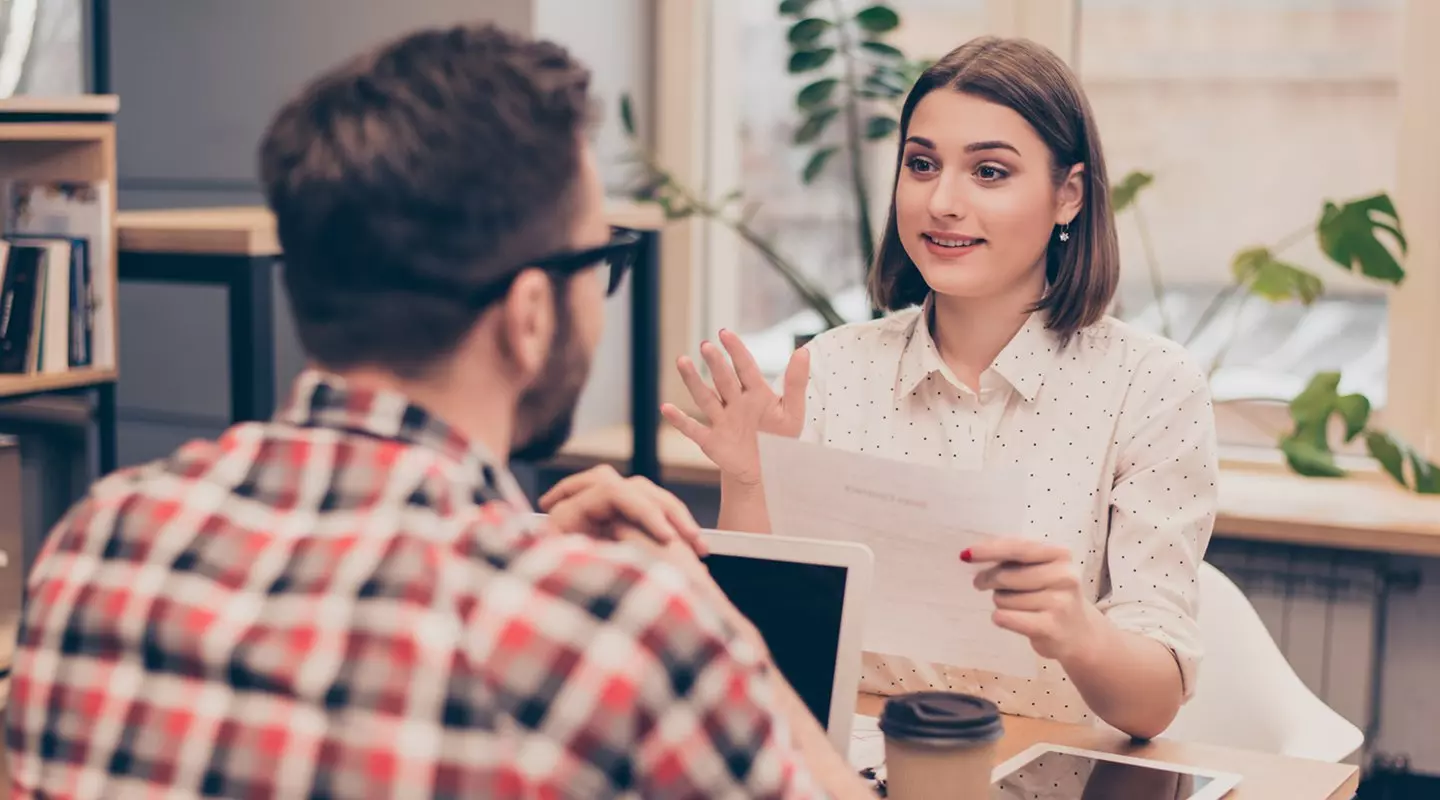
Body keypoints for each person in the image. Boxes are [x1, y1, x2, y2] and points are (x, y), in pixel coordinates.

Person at [4, 23, 870, 799]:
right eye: (597, 262)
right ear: (530, 315)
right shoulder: (622, 638)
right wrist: (713, 618)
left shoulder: (101, 539)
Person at [664, 35, 1219, 740]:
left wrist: (1078, 629)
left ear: (1068, 194)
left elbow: (1153, 707)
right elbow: (756, 660)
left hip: (1046, 772)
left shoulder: (1152, 386)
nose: (942, 202)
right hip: (853, 767)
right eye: (921, 165)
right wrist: (749, 482)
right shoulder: (831, 369)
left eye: (989, 172)